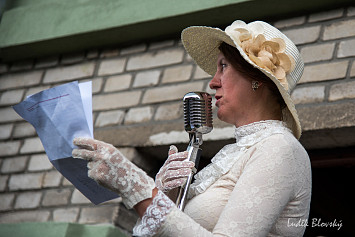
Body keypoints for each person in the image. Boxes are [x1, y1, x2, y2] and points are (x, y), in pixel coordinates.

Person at [72, 20, 312, 236]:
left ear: (257, 79)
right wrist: (168, 195)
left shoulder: (279, 148)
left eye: (223, 66)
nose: (213, 81)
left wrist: (137, 187)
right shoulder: (242, 151)